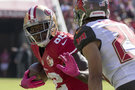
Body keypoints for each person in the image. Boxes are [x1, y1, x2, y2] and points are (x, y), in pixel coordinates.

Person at [20, 5, 88, 90]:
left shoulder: (65, 42)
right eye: (32, 30)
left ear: (51, 24)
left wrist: (78, 74)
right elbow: (50, 66)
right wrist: (34, 77)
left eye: (41, 27)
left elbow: (94, 76)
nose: (38, 33)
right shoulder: (35, 46)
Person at [71, 0, 135, 90]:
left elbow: (95, 77)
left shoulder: (87, 30)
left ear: (82, 12)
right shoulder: (124, 26)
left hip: (128, 82)